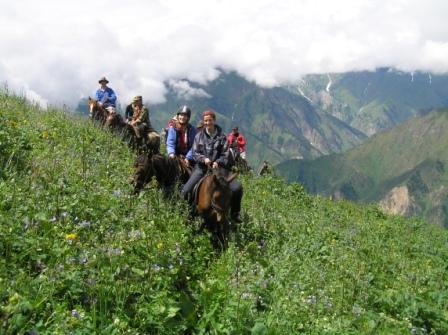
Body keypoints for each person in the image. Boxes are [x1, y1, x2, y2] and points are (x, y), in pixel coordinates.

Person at [182, 110, 243, 222]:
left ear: (214, 121)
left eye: (210, 120)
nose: (207, 123)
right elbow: (195, 153)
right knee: (186, 190)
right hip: (202, 168)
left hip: (220, 169)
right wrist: (204, 159)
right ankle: (189, 213)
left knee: (237, 188)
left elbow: (225, 154)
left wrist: (218, 162)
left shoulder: (222, 137)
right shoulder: (198, 136)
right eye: (205, 121)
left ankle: (235, 213)